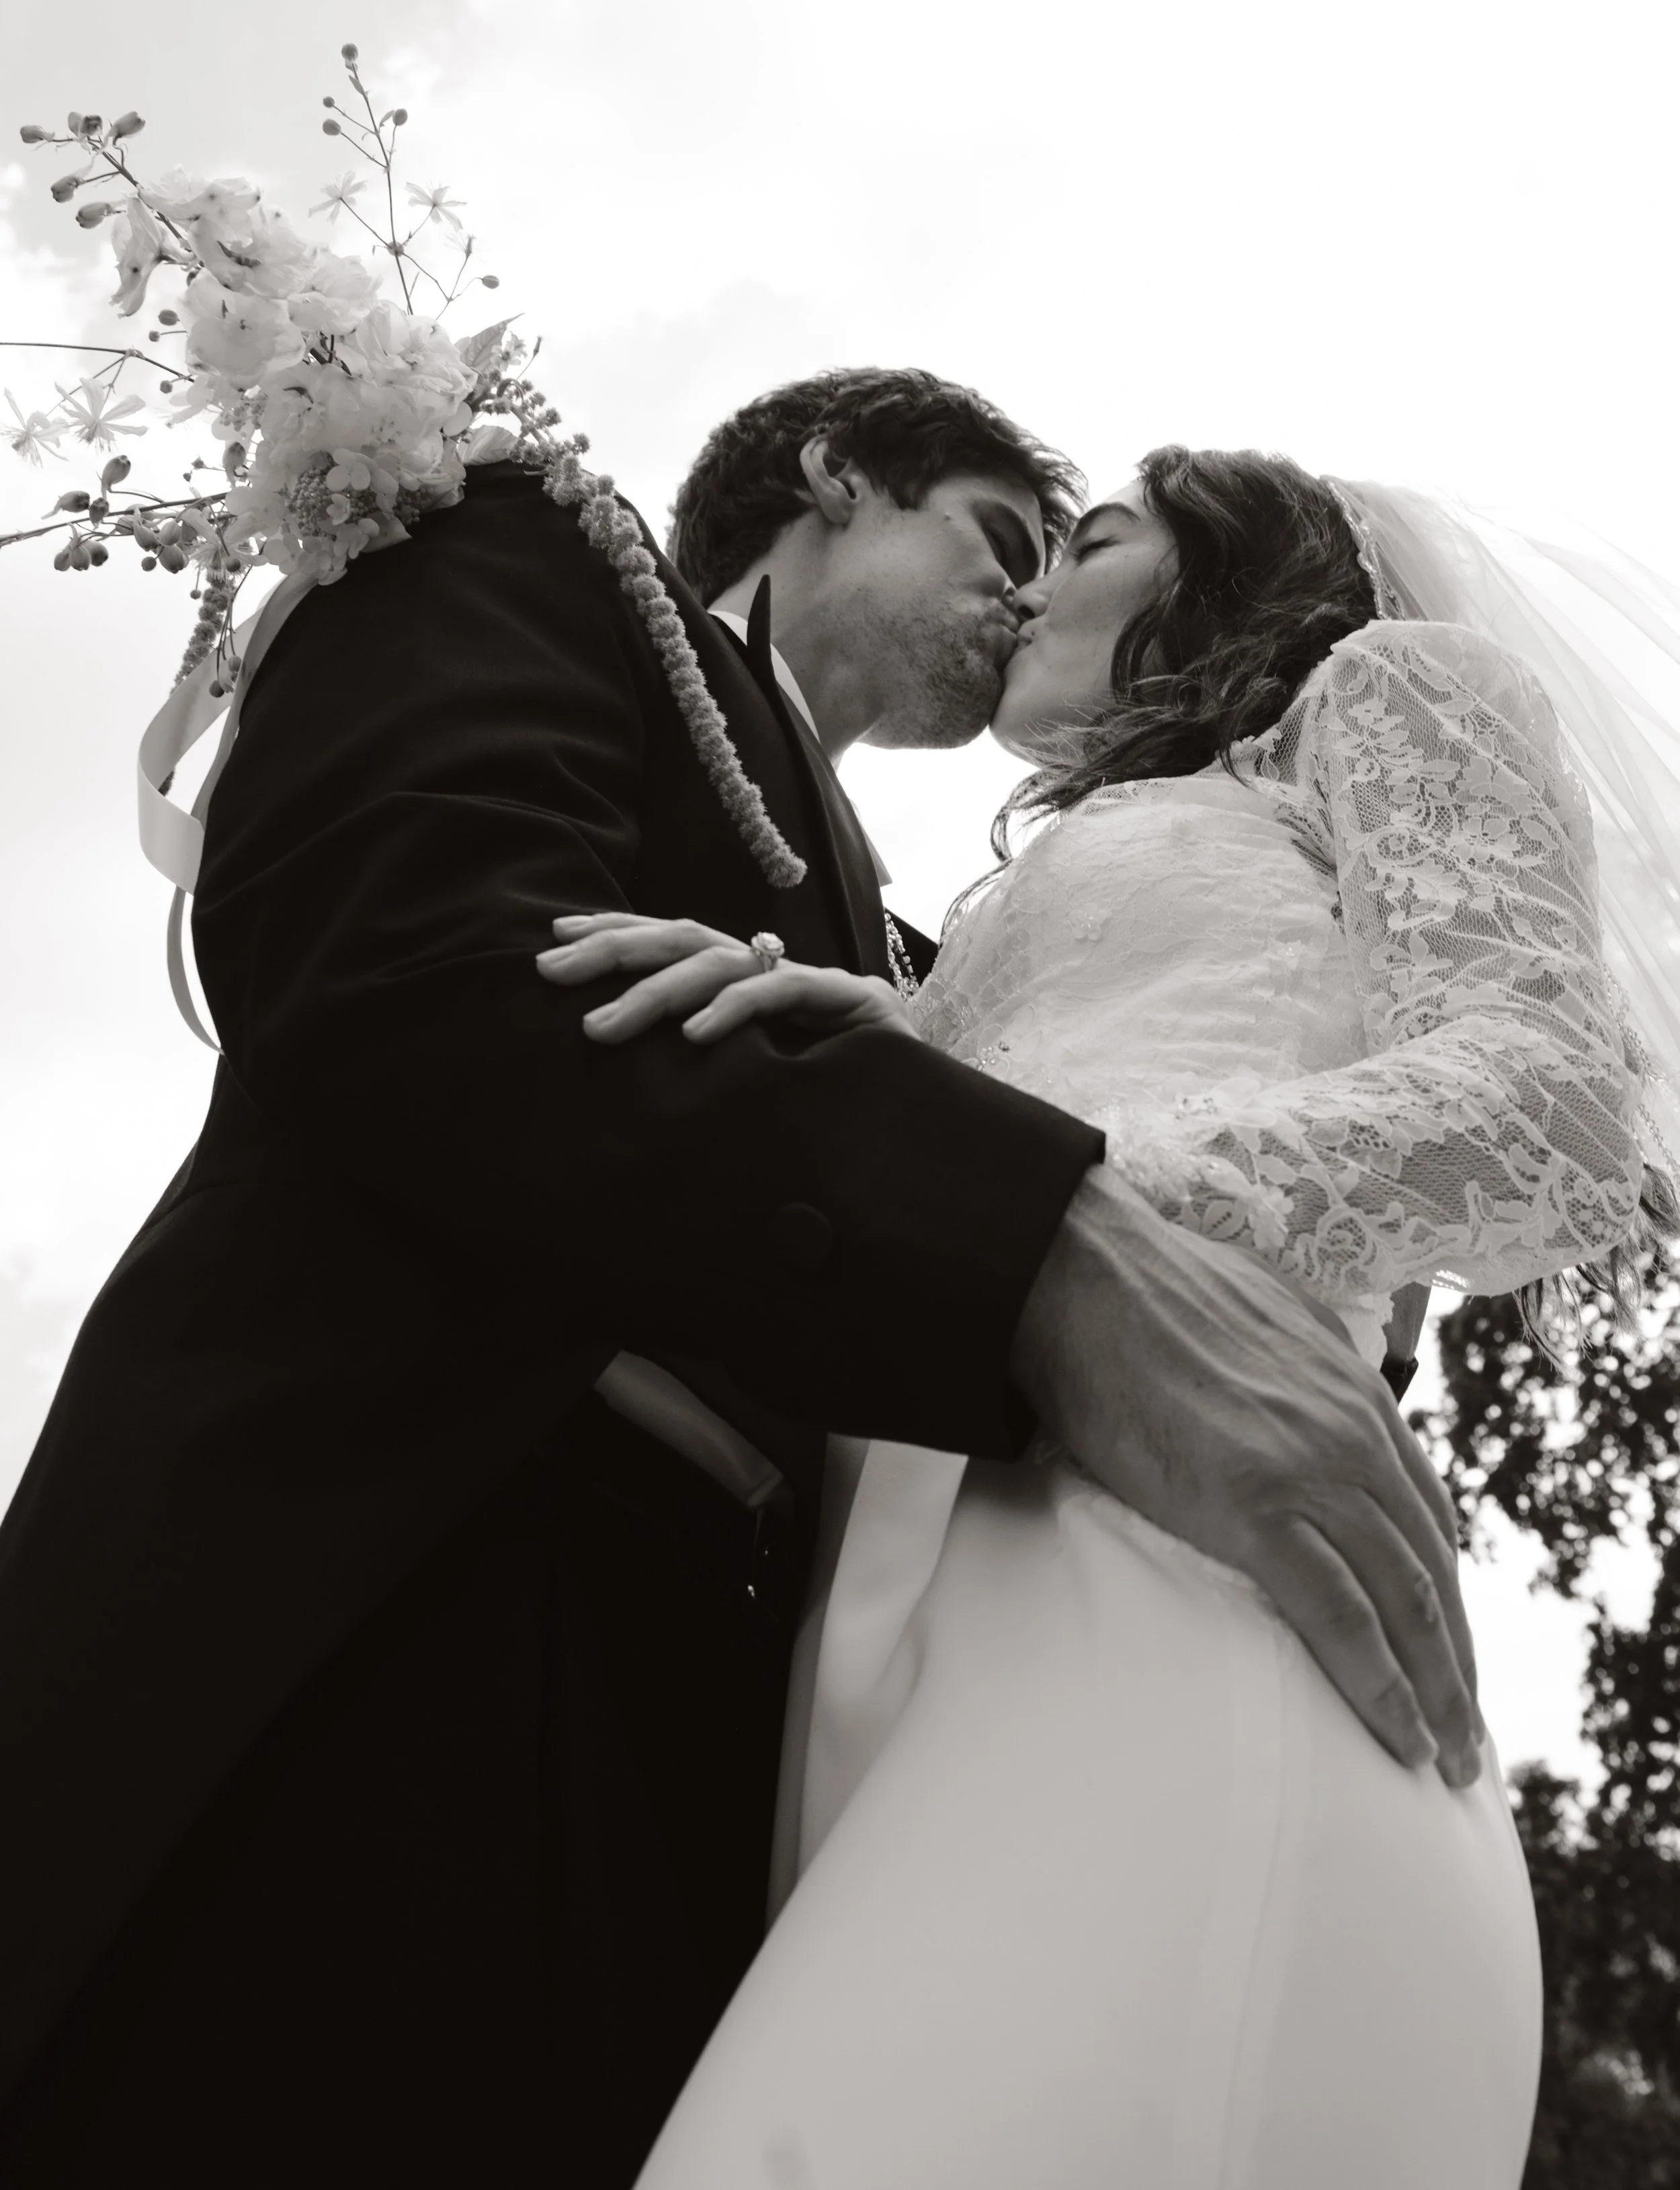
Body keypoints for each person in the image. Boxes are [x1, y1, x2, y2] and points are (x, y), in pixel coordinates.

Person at [0, 386, 1470, 2189]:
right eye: (1003, 539)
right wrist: (1033, 1245)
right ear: (835, 478)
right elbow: (401, 949)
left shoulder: (939, 957)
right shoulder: (532, 550)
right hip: (387, 1636)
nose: (1022, 602)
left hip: (739, 1786)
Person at [558, 446, 1671, 2189]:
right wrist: (832, 1040)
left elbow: (1542, 1108)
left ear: (1223, 567)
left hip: (1176, 1566)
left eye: (1080, 540)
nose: (1024, 591)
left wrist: (1009, 1206)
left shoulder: (1389, 690)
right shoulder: (1055, 876)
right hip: (896, 1623)